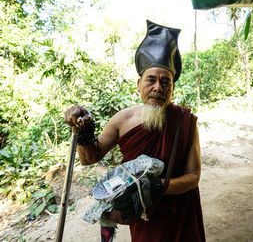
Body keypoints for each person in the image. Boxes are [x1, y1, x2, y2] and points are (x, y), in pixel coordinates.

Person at [64, 20, 206, 242]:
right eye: (151, 80)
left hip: (181, 213)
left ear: (172, 88)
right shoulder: (123, 120)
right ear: (139, 84)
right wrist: (83, 129)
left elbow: (193, 177)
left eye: (165, 82)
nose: (158, 87)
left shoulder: (185, 122)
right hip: (143, 217)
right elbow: (90, 157)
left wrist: (158, 187)